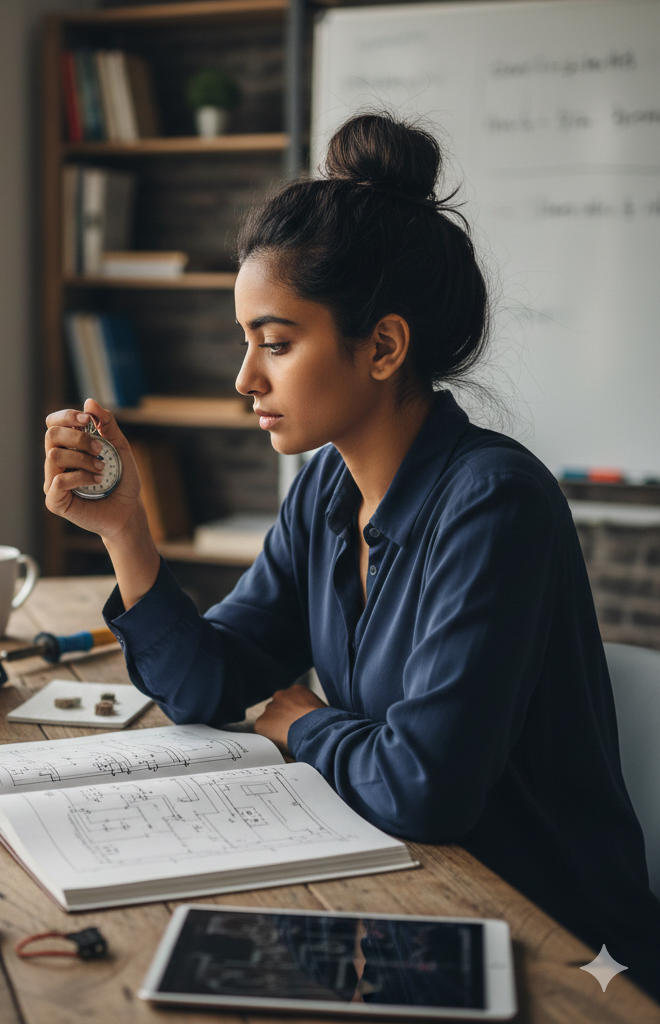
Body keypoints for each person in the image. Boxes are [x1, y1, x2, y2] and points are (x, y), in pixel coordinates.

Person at [43, 112, 660, 1001]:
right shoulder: (327, 492)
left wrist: (301, 724)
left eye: (277, 343)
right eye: (246, 341)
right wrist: (125, 532)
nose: (245, 378)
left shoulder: (495, 503)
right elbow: (208, 684)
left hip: (562, 944)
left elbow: (424, 786)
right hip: (421, 889)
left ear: (382, 347)